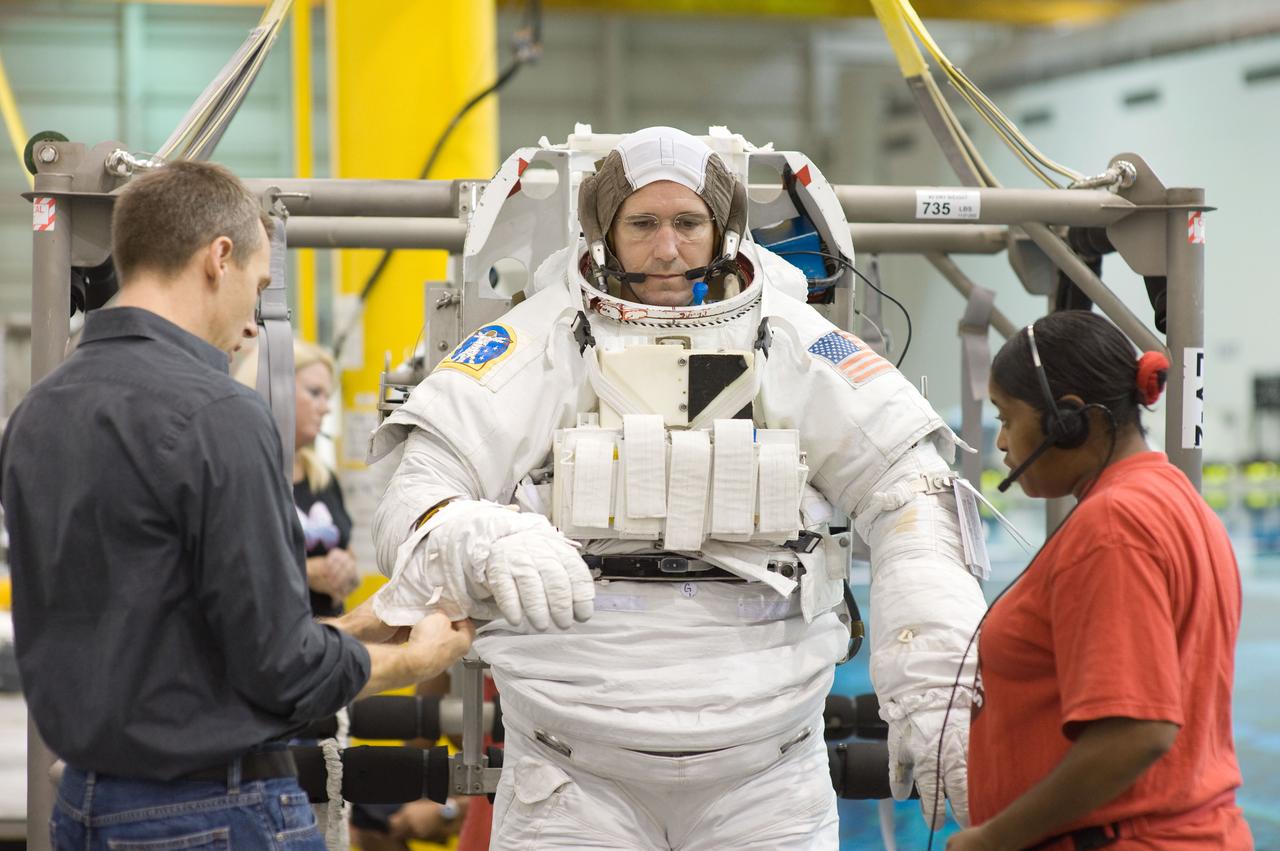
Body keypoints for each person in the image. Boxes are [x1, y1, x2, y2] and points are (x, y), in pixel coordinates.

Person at [366, 126, 987, 848]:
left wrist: (934, 677)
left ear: (722, 230)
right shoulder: (535, 344)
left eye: (688, 223)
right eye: (644, 224)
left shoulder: (794, 341)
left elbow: (911, 489)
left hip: (768, 779)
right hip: (573, 776)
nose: (667, 249)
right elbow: (413, 502)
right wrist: (480, 541)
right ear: (603, 230)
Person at [0, 160, 475, 849]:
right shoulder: (219, 412)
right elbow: (282, 672)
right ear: (218, 258)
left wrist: (357, 624)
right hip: (212, 810)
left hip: (83, 804)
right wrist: (417, 657)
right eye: (257, 288)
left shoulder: (37, 412)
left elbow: (169, 639)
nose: (254, 325)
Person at [948, 311, 1252, 850]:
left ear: (1069, 421)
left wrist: (993, 839)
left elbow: (1138, 732)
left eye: (1007, 418)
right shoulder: (1171, 497)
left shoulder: (1114, 527)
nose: (1001, 444)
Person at [236, 339, 360, 616]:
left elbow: (346, 553)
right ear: (270, 391)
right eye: (315, 392)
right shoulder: (240, 475)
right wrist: (308, 572)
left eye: (328, 397)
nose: (326, 408)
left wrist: (346, 571)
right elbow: (233, 568)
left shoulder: (321, 477)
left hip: (326, 638)